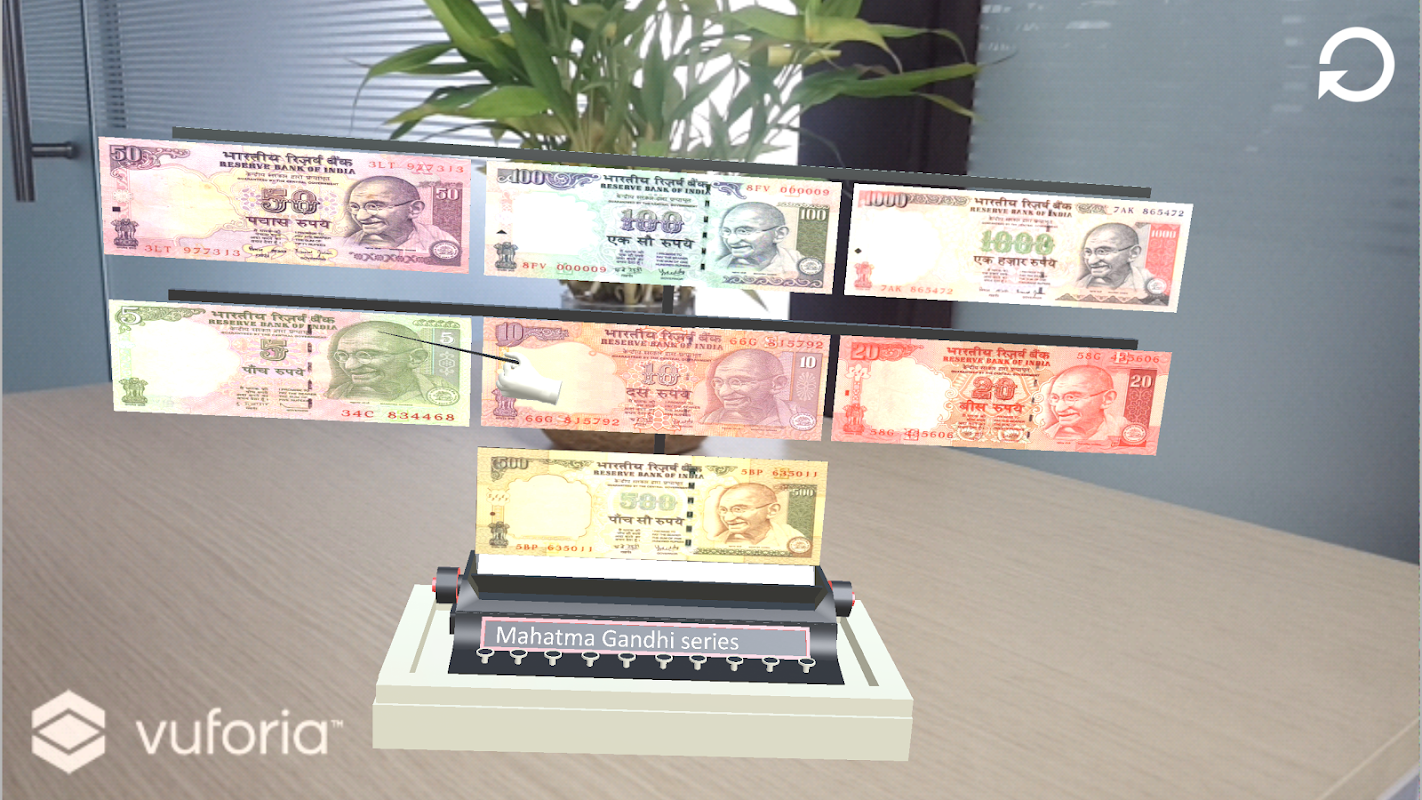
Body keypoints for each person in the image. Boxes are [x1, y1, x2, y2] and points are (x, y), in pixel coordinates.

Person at [324, 321, 456, 404]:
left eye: (368, 354)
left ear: (415, 358)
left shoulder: (443, 389)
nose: (349, 366)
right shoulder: (333, 396)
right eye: (343, 355)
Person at [700, 348, 809, 426]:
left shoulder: (800, 416)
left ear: (777, 384)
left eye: (738, 382)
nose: (723, 392)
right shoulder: (709, 420)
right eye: (718, 382)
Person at [340, 176, 447, 252]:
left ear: (414, 209)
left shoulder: (440, 239)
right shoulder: (344, 246)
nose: (361, 217)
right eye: (355, 207)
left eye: (374, 206)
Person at [713, 202, 806, 280]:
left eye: (744, 231)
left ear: (779, 234)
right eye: (727, 231)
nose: (731, 241)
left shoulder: (801, 266)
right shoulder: (716, 268)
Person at [1042, 365, 1126, 441]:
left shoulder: (1125, 431)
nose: (1059, 409)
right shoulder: (1045, 436)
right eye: (1055, 398)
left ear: (1107, 399)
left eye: (1071, 398)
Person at [709, 483, 801, 549]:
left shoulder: (792, 538)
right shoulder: (715, 543)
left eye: (738, 509)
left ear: (772, 510)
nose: (728, 518)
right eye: (723, 510)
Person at [1074, 222, 1150, 292]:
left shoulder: (1149, 282)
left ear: (1133, 253)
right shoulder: (1077, 286)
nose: (1091, 261)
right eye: (1088, 252)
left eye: (1102, 252)